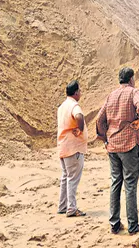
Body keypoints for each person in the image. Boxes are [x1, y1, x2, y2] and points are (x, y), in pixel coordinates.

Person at [96, 67, 139, 235]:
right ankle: (133, 226)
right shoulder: (133, 92)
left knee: (115, 183)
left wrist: (104, 137)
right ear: (131, 79)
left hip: (112, 145)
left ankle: (115, 223)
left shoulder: (111, 95)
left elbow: (99, 119)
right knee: (130, 185)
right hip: (128, 144)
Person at [57, 80, 87, 217]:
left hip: (63, 147)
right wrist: (79, 130)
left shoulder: (62, 106)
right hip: (73, 148)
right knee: (72, 179)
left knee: (65, 177)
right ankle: (71, 208)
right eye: (79, 91)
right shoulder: (74, 105)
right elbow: (79, 116)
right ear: (76, 93)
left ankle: (62, 206)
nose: (80, 93)